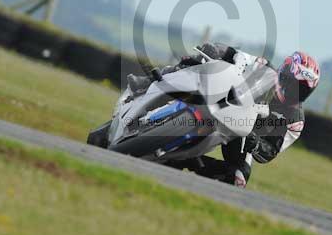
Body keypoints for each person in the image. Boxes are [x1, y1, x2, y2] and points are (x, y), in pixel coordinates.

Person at [126, 42, 320, 188]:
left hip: (242, 134)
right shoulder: (264, 69)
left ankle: (184, 165)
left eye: (303, 90)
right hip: (221, 95)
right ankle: (146, 83)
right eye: (294, 84)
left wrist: (256, 143)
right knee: (192, 63)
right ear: (284, 72)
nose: (296, 92)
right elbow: (236, 55)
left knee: (238, 179)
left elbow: (270, 152)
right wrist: (214, 50)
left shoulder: (295, 121)